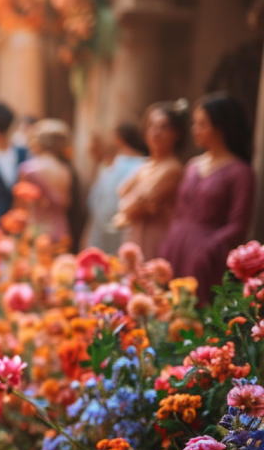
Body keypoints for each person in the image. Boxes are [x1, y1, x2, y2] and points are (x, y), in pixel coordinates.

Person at [160, 93, 255, 303]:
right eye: (195, 123)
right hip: (176, 249)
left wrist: (207, 249)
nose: (195, 130)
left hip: (206, 260)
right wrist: (168, 243)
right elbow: (179, 212)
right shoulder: (193, 165)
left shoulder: (240, 172)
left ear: (221, 127)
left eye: (202, 124)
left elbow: (238, 225)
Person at [113, 101, 187, 258]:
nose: (156, 132)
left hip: (156, 239)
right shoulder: (145, 165)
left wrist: (128, 207)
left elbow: (133, 207)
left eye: (163, 127)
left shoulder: (172, 168)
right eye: (151, 126)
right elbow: (122, 194)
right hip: (135, 237)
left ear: (176, 133)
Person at [85, 123, 148, 253]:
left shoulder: (112, 169)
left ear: (117, 139)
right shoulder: (144, 164)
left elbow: (93, 203)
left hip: (111, 232)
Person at [17, 119, 73, 244]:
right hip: (61, 231)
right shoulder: (65, 171)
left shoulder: (28, 169)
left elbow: (21, 206)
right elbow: (66, 202)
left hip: (37, 231)